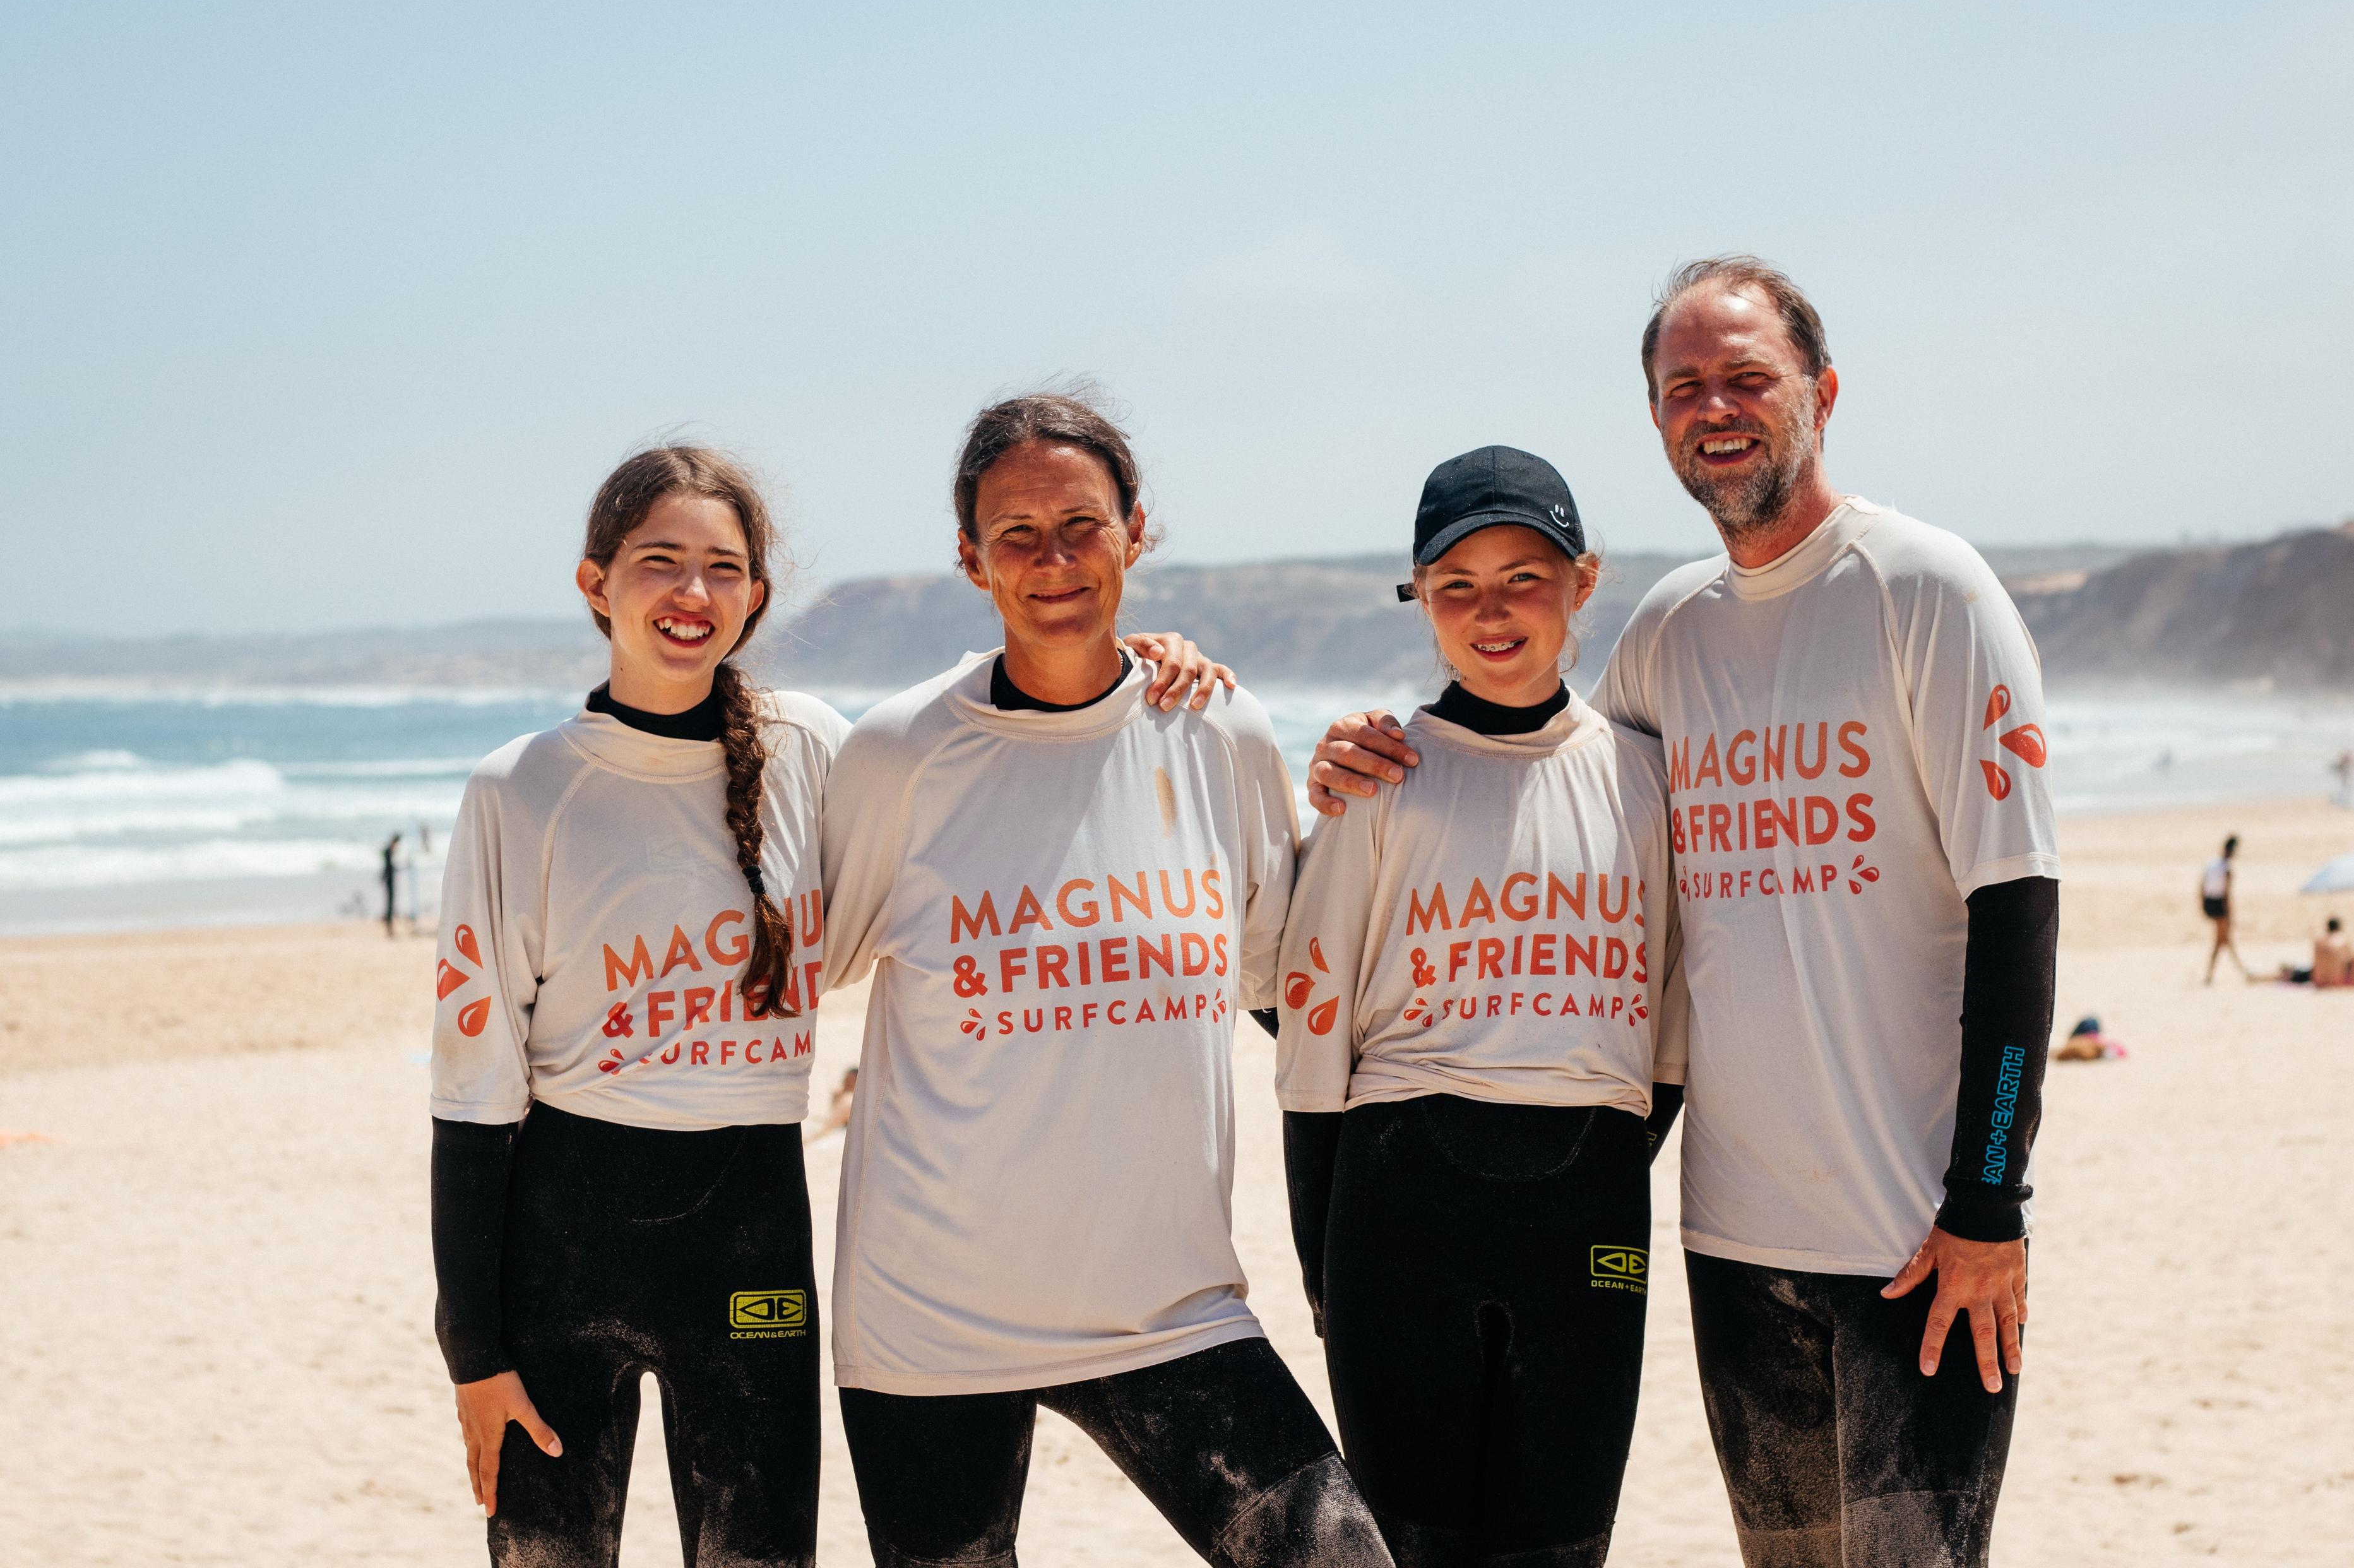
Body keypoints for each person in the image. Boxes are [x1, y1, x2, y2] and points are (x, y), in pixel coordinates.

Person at [1307, 258, 2060, 1567]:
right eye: (1683, 387)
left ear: (1822, 393)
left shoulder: (1926, 589)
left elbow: (2020, 905)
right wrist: (1359, 766)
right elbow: (1545, 797)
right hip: (1729, 1237)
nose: (1716, 408)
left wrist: (1990, 1198)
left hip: (1915, 1238)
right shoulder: (1666, 633)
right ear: (1656, 419)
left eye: (1748, 378)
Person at [425, 443, 1231, 1567]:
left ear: (756, 595)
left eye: (723, 568)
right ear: (593, 582)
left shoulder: (814, 750)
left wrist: (1131, 666)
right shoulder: (520, 790)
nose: (693, 594)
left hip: (750, 1253)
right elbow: (472, 1099)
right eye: (660, 562)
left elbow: (994, 768)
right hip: (558, 1261)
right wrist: (471, 1350)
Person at [819, 391, 1391, 1568]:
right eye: (1016, 535)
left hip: (1169, 1309)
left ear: (1136, 531)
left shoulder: (1216, 731)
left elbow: (1292, 992)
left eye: (1081, 524)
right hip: (934, 1326)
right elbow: (783, 974)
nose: (1053, 561)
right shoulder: (900, 754)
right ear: (972, 559)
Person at [1273, 446, 1687, 1564]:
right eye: (1455, 586)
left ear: (1584, 582)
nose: (1491, 612)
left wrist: (1600, 1172)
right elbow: (1312, 1035)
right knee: (1416, 1550)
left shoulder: (1647, 782)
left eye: (1524, 578)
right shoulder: (1382, 778)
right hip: (1400, 1207)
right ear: (1421, 603)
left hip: (1590, 1212)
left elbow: (1670, 1030)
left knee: (1563, 1547)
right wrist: (1321, 1249)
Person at [2202, 835, 2250, 985]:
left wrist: (2203, 906)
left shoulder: (2211, 864)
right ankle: (2242, 972)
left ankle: (2238, 971)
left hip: (2210, 903)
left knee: (2223, 940)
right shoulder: (2227, 869)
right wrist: (2230, 915)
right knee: (2223, 940)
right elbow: (2227, 895)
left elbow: (2202, 887)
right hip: (2219, 906)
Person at [380, 831, 403, 938]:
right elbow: (389, 868)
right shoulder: (388, 851)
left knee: (390, 904)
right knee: (390, 904)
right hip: (389, 880)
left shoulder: (388, 851)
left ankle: (390, 927)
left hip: (389, 880)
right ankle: (389, 928)